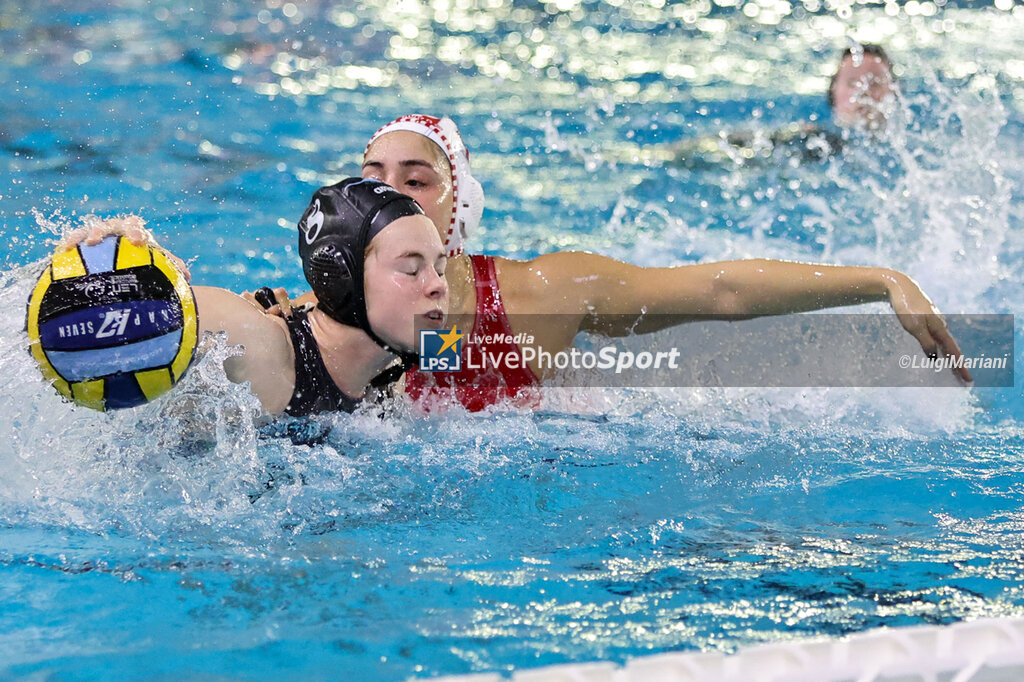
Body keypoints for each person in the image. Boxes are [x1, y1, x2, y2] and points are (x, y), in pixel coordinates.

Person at [252, 115, 970, 412]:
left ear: (457, 204)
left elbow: (716, 290)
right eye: (374, 175)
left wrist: (882, 282)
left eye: (417, 178)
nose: (391, 192)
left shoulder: (539, 296)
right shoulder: (319, 314)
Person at [62, 178, 449, 416]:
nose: (437, 285)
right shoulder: (257, 346)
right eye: (411, 269)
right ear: (342, 278)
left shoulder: (387, 376)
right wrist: (113, 271)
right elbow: (74, 323)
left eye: (441, 268)